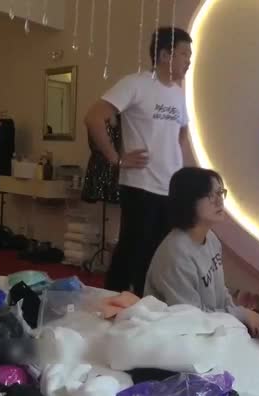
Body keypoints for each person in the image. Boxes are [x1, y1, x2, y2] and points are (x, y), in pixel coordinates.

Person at [84, 27, 193, 295]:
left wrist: (171, 158)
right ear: (165, 55)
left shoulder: (178, 93)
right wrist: (116, 158)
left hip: (169, 187)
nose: (188, 61)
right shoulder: (135, 84)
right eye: (184, 54)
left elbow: (182, 130)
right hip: (140, 185)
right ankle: (113, 303)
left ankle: (146, 307)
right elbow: (94, 117)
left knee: (158, 255)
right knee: (132, 251)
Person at [144, 167, 259, 337]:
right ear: (188, 200)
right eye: (211, 196)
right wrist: (240, 316)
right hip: (177, 335)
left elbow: (220, 290)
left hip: (209, 324)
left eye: (220, 193)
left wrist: (239, 313)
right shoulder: (176, 254)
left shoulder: (210, 238)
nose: (219, 202)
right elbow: (191, 318)